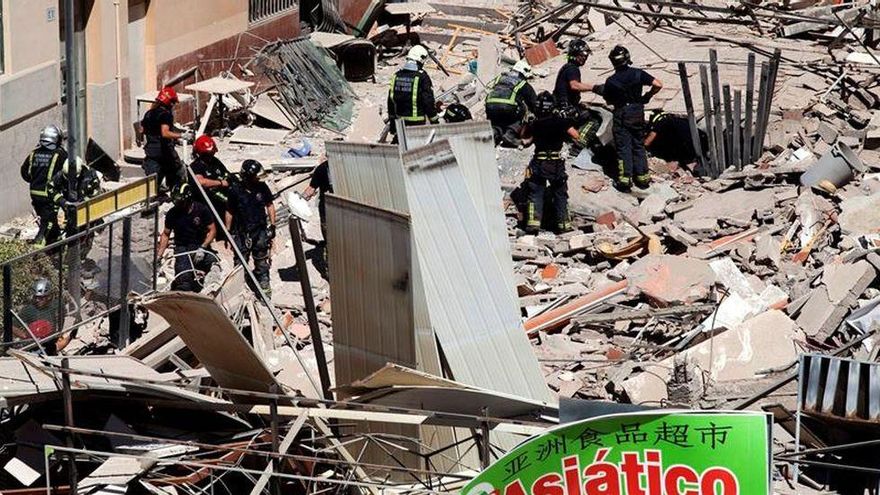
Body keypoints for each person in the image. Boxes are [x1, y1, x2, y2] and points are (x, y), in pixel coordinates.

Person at [594, 45, 663, 191]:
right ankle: (643, 179)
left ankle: (625, 181)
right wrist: (647, 96)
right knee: (638, 145)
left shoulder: (611, 81)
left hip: (622, 114)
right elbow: (658, 84)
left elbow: (608, 101)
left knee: (623, 148)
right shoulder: (638, 73)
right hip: (637, 112)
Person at [521, 92, 582, 234]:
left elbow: (525, 139)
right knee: (560, 194)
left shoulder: (534, 123)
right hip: (556, 163)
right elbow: (576, 136)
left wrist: (526, 122)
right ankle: (565, 225)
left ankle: (533, 224)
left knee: (535, 193)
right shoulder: (560, 121)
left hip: (539, 162)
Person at [225, 160, 276, 293]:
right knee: (240, 262)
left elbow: (269, 205)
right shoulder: (235, 190)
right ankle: (239, 289)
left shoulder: (262, 187)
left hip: (259, 231)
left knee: (261, 259)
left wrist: (273, 225)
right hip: (242, 232)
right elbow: (229, 211)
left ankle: (264, 286)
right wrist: (228, 231)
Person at [157, 183, 217, 292]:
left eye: (180, 201)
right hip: (182, 248)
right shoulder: (172, 213)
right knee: (184, 277)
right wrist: (159, 255)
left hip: (199, 246)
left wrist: (203, 247)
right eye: (176, 201)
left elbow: (212, 230)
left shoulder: (201, 210)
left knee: (215, 265)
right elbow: (166, 234)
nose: (177, 204)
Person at [20, 125, 68, 246]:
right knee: (47, 224)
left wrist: (36, 181)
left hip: (35, 194)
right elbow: (68, 173)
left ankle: (55, 247)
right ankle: (36, 253)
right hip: (50, 195)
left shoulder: (33, 153)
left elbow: (25, 173)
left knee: (52, 223)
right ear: (56, 139)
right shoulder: (60, 154)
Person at [141, 86, 191, 193]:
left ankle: (154, 197)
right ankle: (177, 194)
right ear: (168, 102)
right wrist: (181, 135)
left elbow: (142, 129)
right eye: (172, 102)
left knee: (153, 182)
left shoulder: (149, 113)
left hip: (151, 152)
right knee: (178, 172)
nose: (173, 105)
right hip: (165, 152)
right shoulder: (166, 114)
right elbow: (165, 133)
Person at [388, 45, 439, 135]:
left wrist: (392, 123)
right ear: (420, 59)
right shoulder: (422, 77)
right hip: (417, 122)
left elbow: (391, 101)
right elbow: (428, 101)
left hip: (400, 122)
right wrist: (434, 120)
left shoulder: (396, 75)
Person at [485, 60, 538, 146]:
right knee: (524, 109)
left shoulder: (499, 78)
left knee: (496, 121)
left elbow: (488, 90)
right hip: (508, 108)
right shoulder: (522, 83)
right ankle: (511, 134)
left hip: (490, 106)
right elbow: (533, 102)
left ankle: (494, 133)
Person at [13, 278, 68, 355]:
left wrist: (59, 335)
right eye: (36, 297)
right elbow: (12, 326)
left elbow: (64, 319)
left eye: (41, 298)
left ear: (49, 296)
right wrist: (26, 336)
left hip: (51, 343)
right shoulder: (28, 309)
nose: (37, 300)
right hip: (34, 346)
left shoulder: (57, 305)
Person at [189, 135, 231, 217]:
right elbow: (200, 182)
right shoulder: (195, 166)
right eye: (208, 154)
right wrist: (220, 183)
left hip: (221, 198)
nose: (211, 155)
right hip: (207, 202)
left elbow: (226, 173)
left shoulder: (215, 162)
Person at [553, 39, 592, 122]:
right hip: (565, 109)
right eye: (583, 55)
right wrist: (595, 88)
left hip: (562, 106)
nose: (585, 58)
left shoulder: (567, 67)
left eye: (586, 56)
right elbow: (574, 85)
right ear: (576, 54)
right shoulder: (572, 69)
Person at [302, 158, 333, 243]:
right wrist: (301, 200)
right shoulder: (322, 169)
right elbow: (312, 188)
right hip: (326, 206)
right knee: (326, 229)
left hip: (341, 207)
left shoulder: (345, 168)